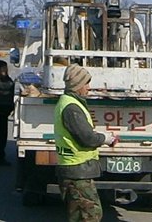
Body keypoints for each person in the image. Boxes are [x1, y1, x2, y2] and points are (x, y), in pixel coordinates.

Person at [54, 63, 119, 222]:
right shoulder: (71, 107)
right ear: (77, 85)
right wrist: (105, 138)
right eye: (86, 83)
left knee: (79, 215)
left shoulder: (69, 103)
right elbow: (86, 138)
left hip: (75, 169)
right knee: (90, 215)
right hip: (77, 171)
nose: (88, 87)